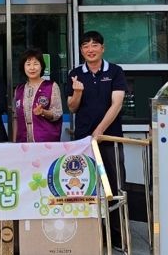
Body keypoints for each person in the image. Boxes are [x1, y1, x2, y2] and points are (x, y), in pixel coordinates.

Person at [66, 30, 127, 248]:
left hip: (109, 139)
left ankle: (118, 238)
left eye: (94, 45)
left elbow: (117, 104)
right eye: (85, 46)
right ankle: (89, 237)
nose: (90, 49)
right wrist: (77, 92)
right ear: (81, 50)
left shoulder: (115, 71)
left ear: (102, 48)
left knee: (114, 188)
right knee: (84, 187)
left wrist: (99, 132)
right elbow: (72, 107)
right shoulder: (75, 73)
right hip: (83, 143)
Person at [13, 47, 63, 143]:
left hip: (45, 140)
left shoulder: (51, 86)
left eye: (35, 64)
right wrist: (15, 142)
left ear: (41, 66)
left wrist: (43, 112)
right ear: (23, 67)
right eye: (28, 64)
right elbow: (15, 117)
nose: (32, 68)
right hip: (23, 141)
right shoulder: (19, 89)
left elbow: (57, 113)